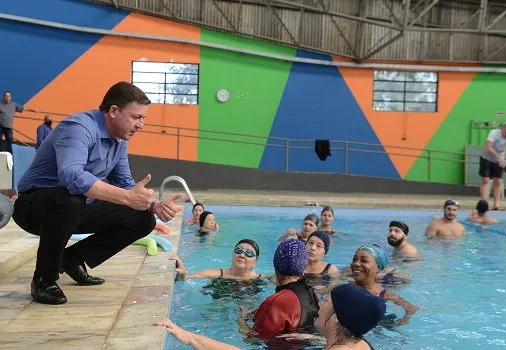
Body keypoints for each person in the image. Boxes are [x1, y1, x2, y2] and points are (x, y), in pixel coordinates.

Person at [12, 82, 184, 305]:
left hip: (75, 207)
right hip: (34, 207)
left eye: (143, 118)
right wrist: (127, 198)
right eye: (136, 117)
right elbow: (71, 176)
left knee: (142, 220)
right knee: (69, 198)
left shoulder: (119, 140)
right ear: (114, 111)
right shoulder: (78, 127)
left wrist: (153, 205)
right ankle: (44, 279)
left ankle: (73, 258)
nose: (141, 124)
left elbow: (124, 184)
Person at [155, 283, 386, 350]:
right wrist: (314, 339)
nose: (321, 303)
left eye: (328, 302)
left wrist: (189, 337)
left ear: (336, 318)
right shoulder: (360, 340)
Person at [238, 239, 320, 339]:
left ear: (275, 265)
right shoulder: (311, 293)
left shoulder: (275, 302)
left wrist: (242, 321)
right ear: (304, 266)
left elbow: (252, 340)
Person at [350, 243, 417, 326]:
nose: (356, 264)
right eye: (354, 259)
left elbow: (411, 308)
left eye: (364, 261)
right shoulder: (344, 289)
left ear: (378, 267)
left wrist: (403, 320)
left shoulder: (384, 294)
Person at [172, 239, 262, 281]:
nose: (241, 255)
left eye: (249, 253)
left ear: (255, 260)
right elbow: (186, 278)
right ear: (232, 254)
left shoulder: (262, 279)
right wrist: (182, 274)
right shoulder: (216, 274)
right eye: (238, 250)